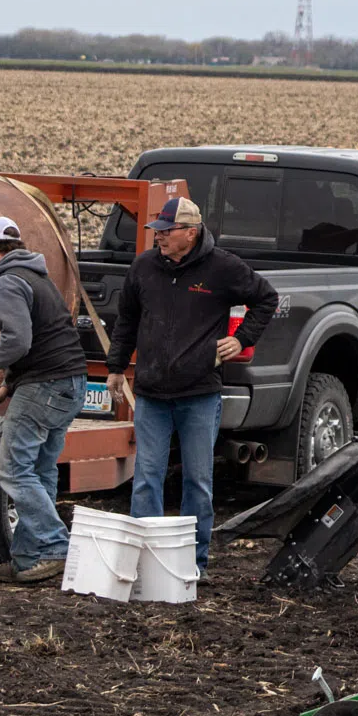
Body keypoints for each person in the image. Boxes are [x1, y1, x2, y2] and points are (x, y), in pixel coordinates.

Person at [105, 196, 279, 573]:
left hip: (199, 394)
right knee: (146, 480)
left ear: (190, 232)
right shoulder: (144, 267)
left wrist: (243, 339)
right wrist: (117, 367)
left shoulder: (223, 268)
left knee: (197, 483)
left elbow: (266, 299)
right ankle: (143, 564)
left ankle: (192, 564)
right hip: (151, 394)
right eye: (158, 232)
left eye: (167, 232)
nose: (159, 238)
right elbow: (127, 320)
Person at [0, 217, 88, 585]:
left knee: (14, 471)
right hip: (70, 382)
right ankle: (30, 559)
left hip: (45, 386)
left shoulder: (6, 283)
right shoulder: (38, 277)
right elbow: (41, 339)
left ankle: (55, 546)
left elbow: (18, 342)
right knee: (40, 471)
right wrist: (8, 388)